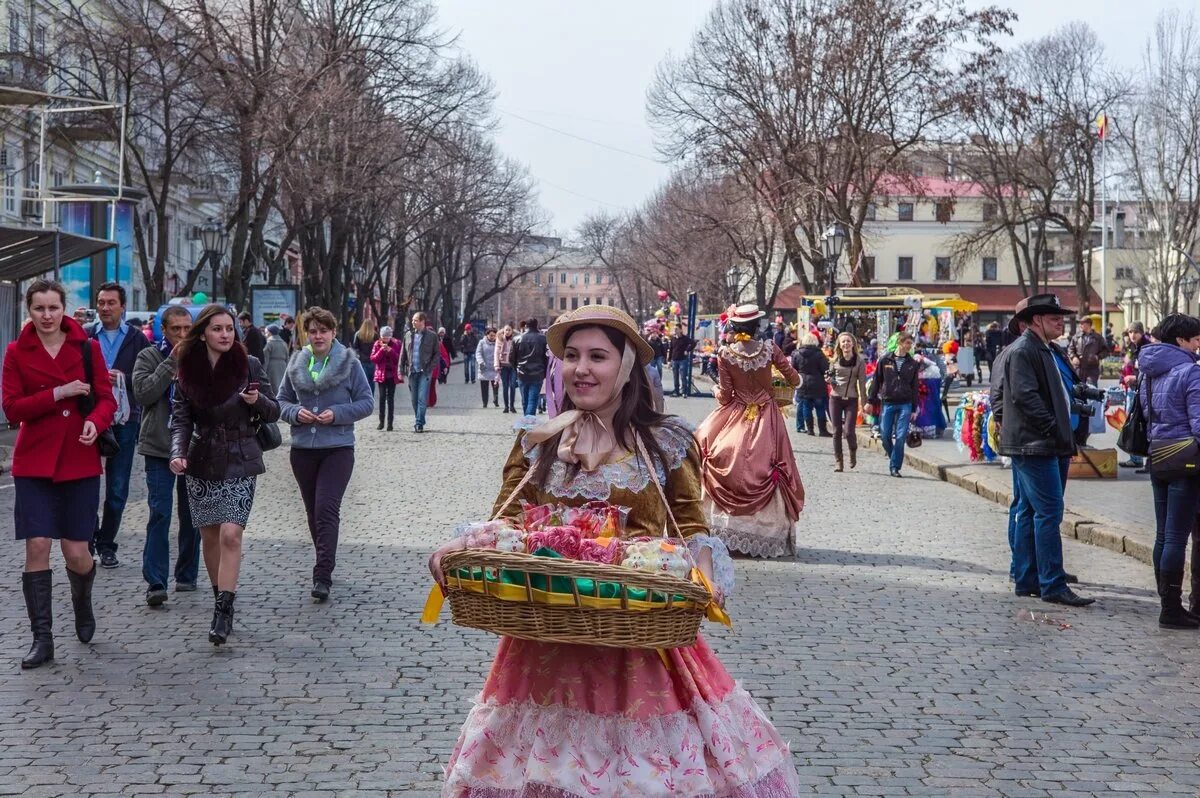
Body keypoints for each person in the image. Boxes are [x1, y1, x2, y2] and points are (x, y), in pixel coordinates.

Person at [431, 304, 801, 795]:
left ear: (625, 369)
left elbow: (690, 526)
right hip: (546, 635)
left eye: (598, 357)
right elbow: (506, 523)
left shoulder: (665, 442)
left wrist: (705, 577)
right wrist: (456, 546)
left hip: (637, 639)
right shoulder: (538, 442)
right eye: (572, 356)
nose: (581, 369)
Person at [3, 279, 116, 669]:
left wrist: (97, 424)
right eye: (39, 309)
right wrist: (58, 393)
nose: (47, 316)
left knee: (76, 552)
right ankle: (42, 639)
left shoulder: (88, 348)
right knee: (36, 545)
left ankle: (82, 599)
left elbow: (106, 398)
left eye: (53, 308)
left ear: (64, 308)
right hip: (34, 463)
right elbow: (12, 409)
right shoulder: (17, 352)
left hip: (79, 461)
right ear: (28, 311)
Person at [169, 304, 281, 644]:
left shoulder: (249, 365)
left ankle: (223, 609)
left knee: (232, 534)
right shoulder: (187, 369)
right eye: (217, 329)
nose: (225, 335)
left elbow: (274, 410)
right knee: (210, 536)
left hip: (241, 456)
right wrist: (177, 452)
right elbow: (181, 418)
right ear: (203, 332)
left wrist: (256, 400)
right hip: (202, 459)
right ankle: (220, 590)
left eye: (229, 329)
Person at [995, 293, 1094, 608]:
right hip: (1035, 444)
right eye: (1054, 318)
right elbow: (1026, 397)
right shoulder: (1025, 350)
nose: (1060, 321)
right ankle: (1052, 583)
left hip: (1038, 442)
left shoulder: (1044, 349)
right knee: (1049, 512)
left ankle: (1027, 579)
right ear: (1036, 320)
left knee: (1029, 510)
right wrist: (1054, 427)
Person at [277, 307, 374, 602]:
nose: (318, 336)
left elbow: (366, 402)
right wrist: (295, 413)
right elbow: (281, 401)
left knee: (326, 508)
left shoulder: (349, 363)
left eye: (324, 330)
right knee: (312, 512)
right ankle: (324, 558)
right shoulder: (297, 363)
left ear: (333, 333)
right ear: (306, 334)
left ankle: (322, 575)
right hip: (303, 450)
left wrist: (338, 414)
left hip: (338, 448)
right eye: (313, 331)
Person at [696, 304, 804, 557]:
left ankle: (722, 528)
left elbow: (725, 396)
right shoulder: (770, 350)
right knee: (770, 464)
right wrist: (774, 380)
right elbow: (795, 379)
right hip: (767, 415)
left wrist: (714, 390)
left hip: (736, 413)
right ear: (756, 327)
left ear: (734, 327)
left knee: (709, 445)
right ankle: (768, 534)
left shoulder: (725, 353)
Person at [1134, 314, 1200, 628]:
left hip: (1157, 454)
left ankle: (1167, 602)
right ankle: (1171, 609)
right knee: (1176, 538)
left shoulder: (1148, 371)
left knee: (1163, 535)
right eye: (1195, 338)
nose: (1198, 343)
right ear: (1180, 340)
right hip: (1186, 460)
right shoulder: (1190, 372)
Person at [131, 305, 199, 606]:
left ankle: (187, 574)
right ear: (164, 330)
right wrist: (171, 363)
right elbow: (144, 394)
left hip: (193, 447)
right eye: (176, 330)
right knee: (160, 512)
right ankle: (156, 581)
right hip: (159, 447)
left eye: (187, 329)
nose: (182, 335)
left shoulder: (201, 357)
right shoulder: (149, 356)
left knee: (193, 515)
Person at [89, 281, 151, 568]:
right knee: (86, 482)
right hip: (90, 417)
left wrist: (123, 379)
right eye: (101, 302)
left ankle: (107, 544)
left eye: (111, 302)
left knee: (117, 486)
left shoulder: (137, 339)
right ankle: (88, 533)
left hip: (126, 419)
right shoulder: (86, 335)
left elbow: (148, 378)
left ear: (122, 306)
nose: (105, 307)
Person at [866, 331, 921, 477]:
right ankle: (894, 458)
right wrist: (870, 401)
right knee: (884, 435)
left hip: (905, 403)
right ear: (899, 343)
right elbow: (876, 381)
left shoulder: (913, 364)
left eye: (911, 343)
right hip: (888, 402)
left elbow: (915, 387)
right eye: (907, 343)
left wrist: (914, 408)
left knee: (901, 435)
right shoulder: (885, 360)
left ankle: (895, 467)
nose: (910, 346)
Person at [828, 332, 868, 472]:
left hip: (851, 398)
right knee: (836, 431)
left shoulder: (860, 361)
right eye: (843, 342)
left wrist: (864, 403)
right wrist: (829, 380)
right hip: (835, 398)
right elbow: (830, 377)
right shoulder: (834, 360)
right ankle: (838, 461)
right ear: (839, 345)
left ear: (853, 344)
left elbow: (862, 383)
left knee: (849, 431)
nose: (846, 344)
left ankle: (852, 451)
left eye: (848, 341)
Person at [401, 312, 438, 433]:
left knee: (422, 399)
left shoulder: (432, 336)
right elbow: (403, 354)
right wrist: (400, 370)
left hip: (424, 372)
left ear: (422, 322)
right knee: (414, 399)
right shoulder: (408, 335)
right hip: (412, 371)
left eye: (415, 320)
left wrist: (430, 367)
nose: (413, 322)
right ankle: (421, 419)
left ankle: (418, 424)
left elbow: (437, 355)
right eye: (412, 320)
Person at [1120, 321, 1149, 470]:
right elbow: (1126, 367)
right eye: (1130, 332)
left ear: (1141, 332)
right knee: (1131, 423)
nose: (1132, 335)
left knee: (1140, 424)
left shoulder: (1146, 347)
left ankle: (1146, 460)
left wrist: (1134, 379)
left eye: (1135, 332)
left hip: (1141, 390)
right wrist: (1122, 380)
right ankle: (1135, 458)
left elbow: (1146, 371)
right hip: (1130, 389)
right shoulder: (1131, 348)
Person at [791, 333, 830, 436]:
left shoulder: (797, 353)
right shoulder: (819, 354)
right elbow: (825, 368)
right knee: (820, 407)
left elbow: (793, 369)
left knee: (806, 407)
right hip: (818, 383)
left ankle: (810, 429)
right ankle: (822, 430)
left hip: (802, 383)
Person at [510, 316, 548, 417]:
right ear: (536, 325)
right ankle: (528, 425)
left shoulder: (517, 339)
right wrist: (544, 371)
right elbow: (546, 357)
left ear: (526, 326)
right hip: (538, 373)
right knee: (532, 400)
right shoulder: (543, 339)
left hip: (522, 373)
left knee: (525, 400)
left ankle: (527, 424)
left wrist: (516, 368)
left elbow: (512, 358)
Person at [370, 325, 402, 430]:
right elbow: (373, 359)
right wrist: (381, 351)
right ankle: (381, 422)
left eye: (387, 337)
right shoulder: (377, 344)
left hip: (392, 375)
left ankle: (390, 424)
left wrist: (390, 350)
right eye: (383, 337)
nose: (385, 339)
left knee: (390, 399)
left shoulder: (396, 343)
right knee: (382, 398)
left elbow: (399, 359)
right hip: (381, 375)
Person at [495, 324, 517, 413]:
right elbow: (496, 353)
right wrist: (496, 365)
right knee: (505, 387)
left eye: (509, 330)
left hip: (512, 366)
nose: (507, 332)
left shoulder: (515, 339)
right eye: (506, 330)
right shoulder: (500, 339)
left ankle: (512, 405)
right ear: (503, 331)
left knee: (512, 386)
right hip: (503, 366)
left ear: (512, 331)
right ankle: (506, 406)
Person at [475, 327, 499, 408]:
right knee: (484, 387)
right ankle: (485, 402)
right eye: (491, 335)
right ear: (487, 335)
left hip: (494, 367)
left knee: (495, 385)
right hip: (484, 367)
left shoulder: (498, 342)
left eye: (494, 335)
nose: (492, 337)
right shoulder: (482, 342)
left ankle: (496, 400)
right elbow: (478, 353)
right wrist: (481, 362)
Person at [262, 324, 290, 395]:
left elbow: (266, 359)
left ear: (270, 333)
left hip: (272, 367)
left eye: (266, 332)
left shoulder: (269, 343)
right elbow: (287, 358)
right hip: (283, 366)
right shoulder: (284, 343)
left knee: (272, 387)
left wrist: (263, 372)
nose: (265, 334)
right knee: (281, 385)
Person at [353, 319, 378, 396]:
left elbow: (355, 347)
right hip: (372, 361)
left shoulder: (358, 334)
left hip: (362, 361)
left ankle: (364, 399)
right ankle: (371, 398)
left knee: (364, 382)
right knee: (371, 382)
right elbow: (378, 348)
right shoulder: (375, 335)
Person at [668, 324, 694, 396]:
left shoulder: (685, 338)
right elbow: (671, 349)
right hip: (674, 359)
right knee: (675, 376)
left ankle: (684, 392)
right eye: (674, 329)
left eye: (676, 329)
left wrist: (687, 350)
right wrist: (669, 360)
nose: (675, 330)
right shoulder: (673, 339)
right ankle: (676, 391)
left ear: (680, 330)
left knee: (683, 376)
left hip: (683, 359)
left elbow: (693, 343)